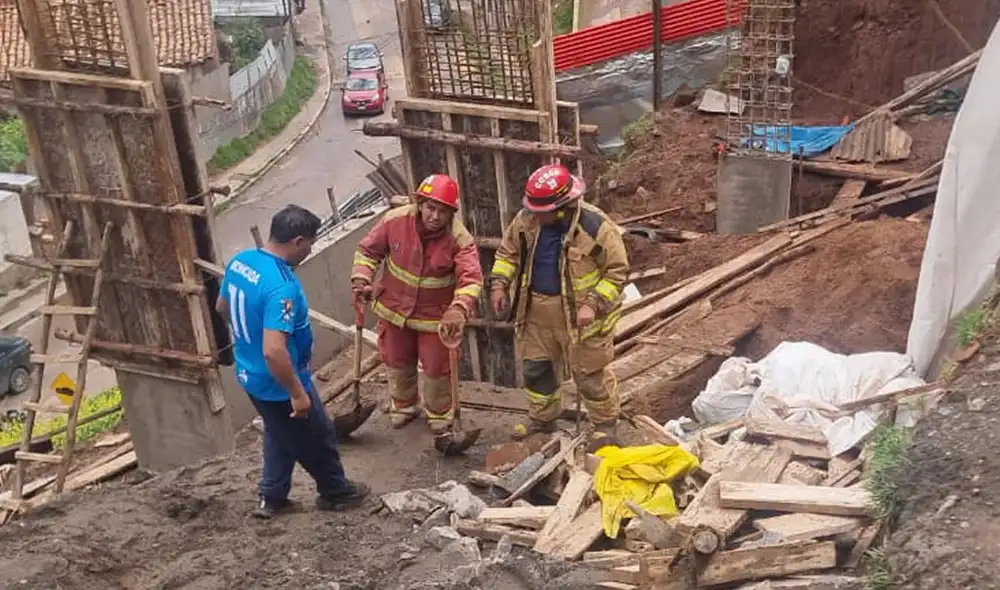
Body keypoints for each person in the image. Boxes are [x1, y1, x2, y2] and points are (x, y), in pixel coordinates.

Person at [217, 204, 369, 519]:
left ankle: (272, 496)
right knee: (317, 435)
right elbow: (274, 350)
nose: (310, 250)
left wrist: (248, 338)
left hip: (250, 374)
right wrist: (297, 393)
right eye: (310, 244)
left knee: (278, 429)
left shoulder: (242, 262)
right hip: (279, 380)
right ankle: (335, 492)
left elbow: (222, 306)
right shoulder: (280, 287)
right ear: (298, 241)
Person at [489, 163, 630, 440]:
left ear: (563, 207)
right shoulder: (526, 220)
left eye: (542, 211)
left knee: (590, 376)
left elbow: (617, 272)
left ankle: (604, 426)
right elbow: (507, 254)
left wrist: (593, 303)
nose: (535, 215)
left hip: (582, 319)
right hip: (537, 313)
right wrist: (499, 284)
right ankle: (543, 420)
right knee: (536, 370)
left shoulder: (595, 227)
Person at [351, 174, 484, 435]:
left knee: (437, 367)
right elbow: (368, 252)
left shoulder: (460, 238)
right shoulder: (394, 221)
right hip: (393, 309)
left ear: (451, 213)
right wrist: (361, 279)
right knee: (397, 360)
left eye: (442, 212)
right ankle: (403, 405)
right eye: (430, 208)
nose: (435, 216)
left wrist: (458, 308)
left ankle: (439, 413)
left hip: (434, 318)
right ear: (420, 203)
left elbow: (472, 278)